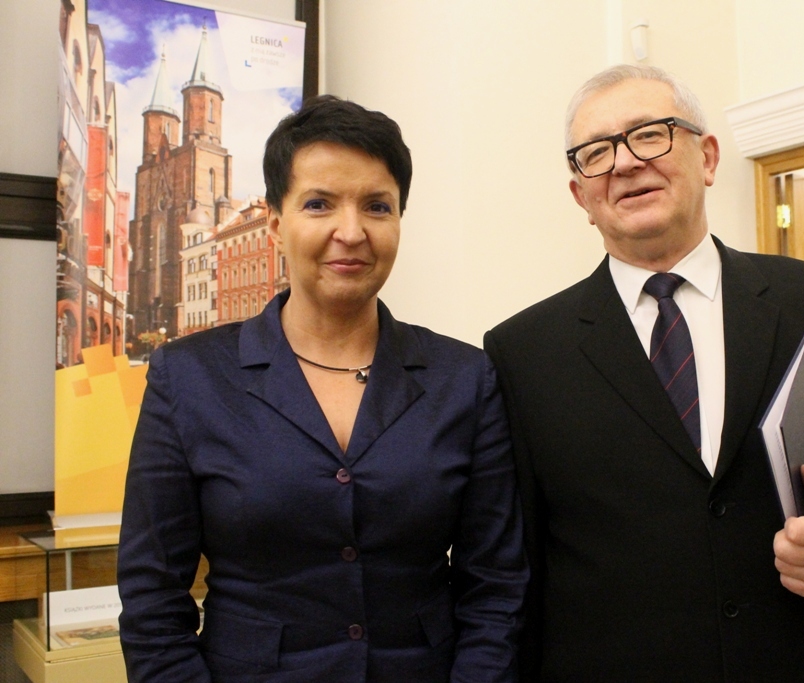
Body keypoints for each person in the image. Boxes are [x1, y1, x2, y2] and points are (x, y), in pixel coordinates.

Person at [483, 65, 804, 682]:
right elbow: (515, 561)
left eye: (650, 134)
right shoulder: (522, 352)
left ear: (709, 157)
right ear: (580, 196)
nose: (624, 163)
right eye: (596, 153)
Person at [118, 95, 528, 683]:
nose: (351, 232)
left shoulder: (463, 378)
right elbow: (152, 597)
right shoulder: (189, 378)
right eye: (319, 204)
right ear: (277, 225)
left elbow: (496, 586)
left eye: (377, 206)